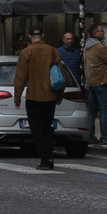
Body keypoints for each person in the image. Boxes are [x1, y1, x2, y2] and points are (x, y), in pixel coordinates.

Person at [14, 27, 64, 170]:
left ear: (29, 36)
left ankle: (44, 159)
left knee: (36, 129)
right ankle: (50, 156)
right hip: (50, 96)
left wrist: (17, 97)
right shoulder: (53, 51)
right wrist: (60, 95)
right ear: (42, 35)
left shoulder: (26, 53)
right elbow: (60, 76)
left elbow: (20, 78)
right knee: (48, 127)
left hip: (33, 96)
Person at [83, 23, 107, 145]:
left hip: (91, 83)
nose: (103, 32)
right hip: (102, 82)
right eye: (101, 31)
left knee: (92, 111)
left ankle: (91, 136)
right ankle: (105, 137)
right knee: (105, 111)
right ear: (94, 34)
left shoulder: (87, 46)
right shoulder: (99, 47)